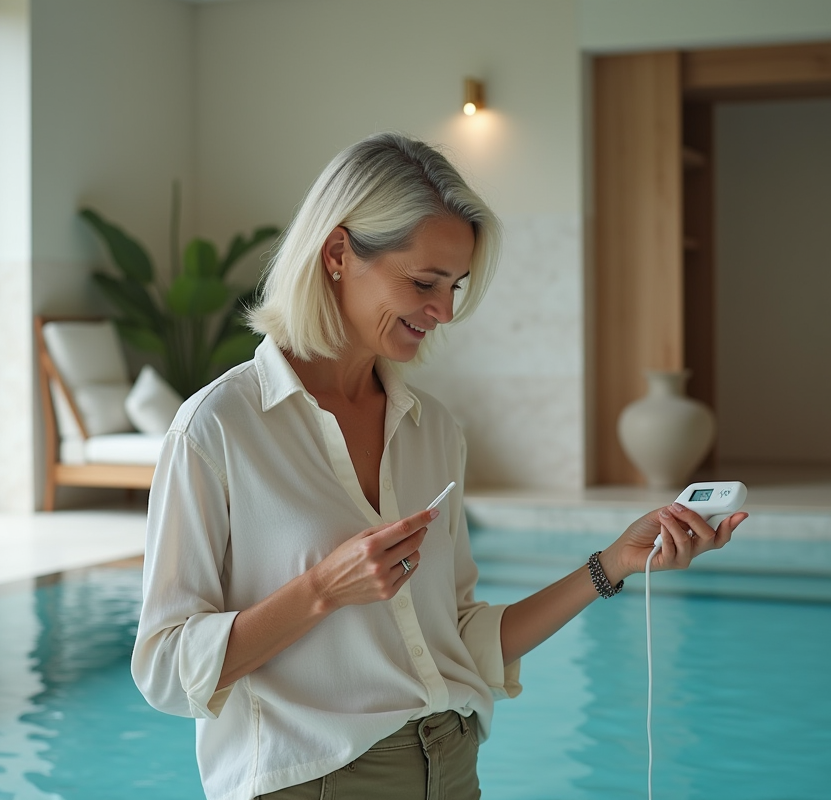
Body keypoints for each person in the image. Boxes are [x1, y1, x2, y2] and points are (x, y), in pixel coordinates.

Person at [131, 132, 747, 800]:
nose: (445, 311)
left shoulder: (433, 431)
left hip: (452, 767)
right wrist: (322, 590)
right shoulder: (217, 429)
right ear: (337, 254)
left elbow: (459, 637)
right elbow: (166, 669)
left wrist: (611, 565)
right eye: (424, 283)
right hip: (316, 783)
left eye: (455, 286)